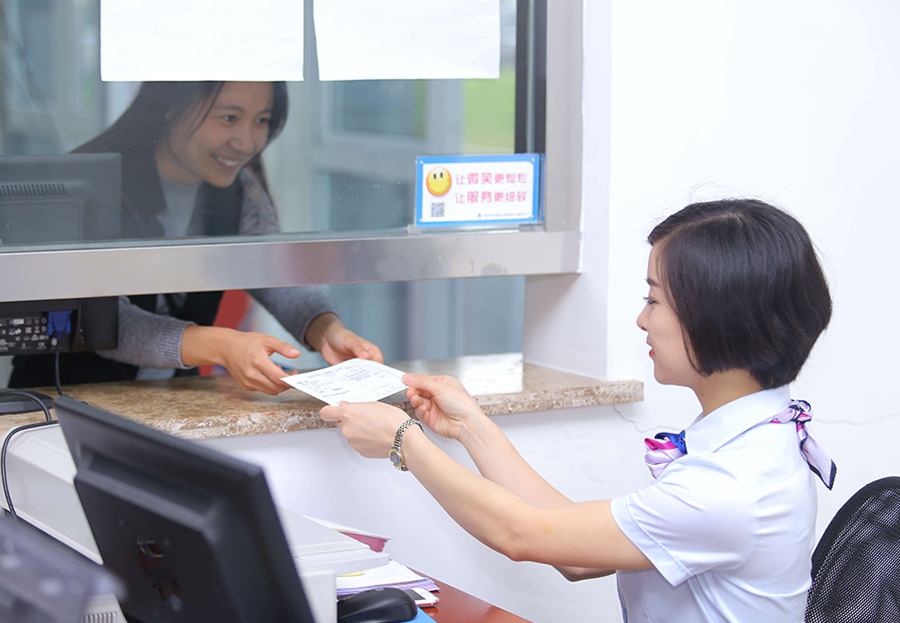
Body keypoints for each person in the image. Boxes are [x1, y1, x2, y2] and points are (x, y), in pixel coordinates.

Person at [319, 199, 836, 621]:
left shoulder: (730, 489)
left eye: (654, 301)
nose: (641, 320)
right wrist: (470, 426)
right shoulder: (753, 441)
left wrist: (404, 441)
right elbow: (571, 552)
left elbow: (522, 535)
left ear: (716, 319)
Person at [10, 82, 381, 394]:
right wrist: (222, 345)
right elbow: (103, 322)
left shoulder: (240, 189)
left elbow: (274, 270)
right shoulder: (90, 182)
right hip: (58, 403)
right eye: (229, 118)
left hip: (164, 401)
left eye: (262, 121)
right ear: (171, 109)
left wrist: (327, 330)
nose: (246, 142)